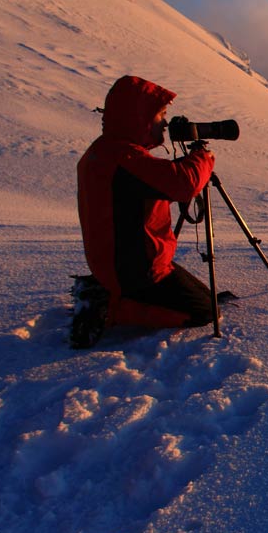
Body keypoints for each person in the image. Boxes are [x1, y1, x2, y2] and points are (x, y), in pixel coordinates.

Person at [72, 75, 216, 348]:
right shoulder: (124, 159)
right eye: (160, 114)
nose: (164, 122)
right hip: (136, 271)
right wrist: (202, 159)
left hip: (120, 262)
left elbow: (151, 184)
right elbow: (184, 184)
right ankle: (110, 307)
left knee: (203, 296)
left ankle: (107, 290)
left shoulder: (106, 151)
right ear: (138, 117)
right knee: (204, 311)